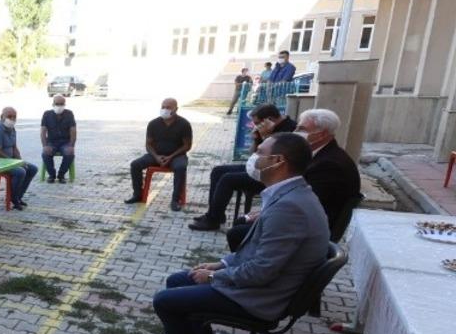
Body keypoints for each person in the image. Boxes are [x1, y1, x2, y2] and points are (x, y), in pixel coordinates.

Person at [152, 132, 329, 334]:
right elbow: (258, 252)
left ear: (279, 161)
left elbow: (261, 271)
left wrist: (215, 277)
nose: (254, 157)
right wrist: (220, 263)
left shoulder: (290, 207)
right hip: (263, 284)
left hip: (262, 296)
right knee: (177, 280)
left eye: (261, 153)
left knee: (165, 301)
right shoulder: (291, 194)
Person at [225, 108, 361, 250]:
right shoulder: (320, 154)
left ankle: (248, 265)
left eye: (302, 128)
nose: (296, 131)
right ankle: (240, 262)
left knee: (237, 233)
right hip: (296, 215)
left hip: (306, 228)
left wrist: (267, 213)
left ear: (322, 135)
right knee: (241, 222)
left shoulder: (330, 164)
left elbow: (307, 202)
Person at [188, 103, 296, 232]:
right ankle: (215, 215)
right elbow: (253, 155)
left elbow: (271, 160)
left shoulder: (289, 130)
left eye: (257, 123)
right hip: (258, 166)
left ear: (269, 120)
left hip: (272, 175)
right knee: (218, 171)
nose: (255, 126)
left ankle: (213, 221)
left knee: (228, 179)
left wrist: (267, 136)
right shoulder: (265, 128)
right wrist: (256, 140)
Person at [125, 98, 193, 211]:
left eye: (168, 107)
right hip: (156, 155)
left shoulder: (184, 124)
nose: (165, 109)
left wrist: (170, 157)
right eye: (163, 107)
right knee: (135, 164)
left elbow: (187, 146)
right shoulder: (153, 124)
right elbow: (148, 144)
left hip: (176, 156)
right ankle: (137, 195)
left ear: (176, 109)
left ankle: (175, 200)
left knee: (180, 167)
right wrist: (156, 156)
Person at [0, 107, 39, 209]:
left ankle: (18, 196)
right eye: (9, 117)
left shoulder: (12, 129)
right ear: (2, 117)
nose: (12, 119)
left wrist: (20, 161)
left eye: (14, 117)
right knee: (20, 172)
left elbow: (14, 147)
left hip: (9, 161)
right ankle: (12, 198)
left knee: (31, 168)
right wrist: (14, 163)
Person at [39, 96, 77, 184]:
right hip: (52, 142)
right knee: (46, 153)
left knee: (69, 152)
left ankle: (61, 175)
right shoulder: (47, 114)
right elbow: (43, 131)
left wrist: (71, 145)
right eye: (57, 104)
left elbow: (73, 131)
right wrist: (44, 145)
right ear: (53, 104)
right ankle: (51, 175)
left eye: (62, 104)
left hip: (65, 142)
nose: (59, 106)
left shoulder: (69, 114)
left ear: (65, 104)